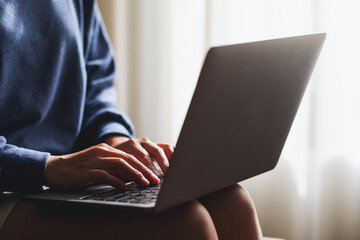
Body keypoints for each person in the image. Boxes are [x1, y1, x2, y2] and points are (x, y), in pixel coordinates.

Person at [0, 1, 263, 239]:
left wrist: (115, 141)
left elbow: (96, 88)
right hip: (11, 187)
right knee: (187, 223)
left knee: (232, 201)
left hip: (68, 177)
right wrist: (49, 167)